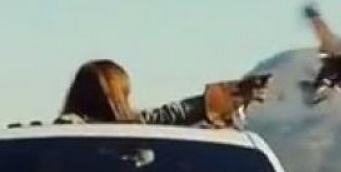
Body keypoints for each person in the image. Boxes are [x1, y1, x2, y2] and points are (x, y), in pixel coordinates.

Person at [55, 59, 270, 128]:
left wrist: (230, 95)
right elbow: (174, 114)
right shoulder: (70, 128)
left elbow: (173, 114)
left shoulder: (61, 135)